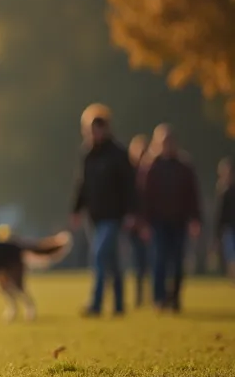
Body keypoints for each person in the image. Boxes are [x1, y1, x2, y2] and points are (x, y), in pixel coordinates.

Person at [69, 107, 136, 317]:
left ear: (106, 129)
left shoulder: (118, 153)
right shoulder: (88, 155)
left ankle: (96, 303)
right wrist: (76, 209)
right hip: (94, 216)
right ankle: (118, 305)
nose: (95, 134)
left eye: (99, 129)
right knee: (111, 260)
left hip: (113, 216)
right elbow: (83, 184)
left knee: (98, 256)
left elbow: (129, 185)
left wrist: (131, 212)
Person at [138, 124, 202, 312]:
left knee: (178, 261)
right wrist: (143, 223)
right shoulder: (151, 167)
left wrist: (195, 219)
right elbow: (144, 197)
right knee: (159, 260)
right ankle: (159, 298)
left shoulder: (184, 167)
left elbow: (193, 195)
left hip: (179, 221)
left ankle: (174, 298)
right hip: (158, 222)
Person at [126, 134, 151, 306]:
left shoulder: (152, 174)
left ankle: (152, 296)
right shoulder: (130, 175)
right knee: (138, 262)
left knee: (149, 262)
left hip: (149, 225)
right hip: (134, 227)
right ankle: (139, 296)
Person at [214, 158, 234, 281]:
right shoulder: (223, 191)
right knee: (231, 254)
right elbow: (220, 214)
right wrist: (218, 232)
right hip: (228, 228)